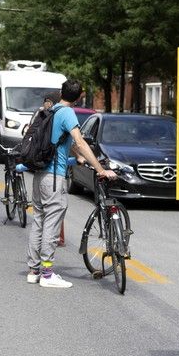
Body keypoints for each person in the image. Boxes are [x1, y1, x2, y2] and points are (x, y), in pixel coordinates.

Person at [27, 79, 117, 288]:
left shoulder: (51, 110)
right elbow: (79, 141)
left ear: (61, 92)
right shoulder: (67, 113)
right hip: (55, 178)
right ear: (80, 96)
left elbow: (62, 141)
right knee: (52, 224)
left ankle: (34, 270)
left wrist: (78, 157)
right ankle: (47, 274)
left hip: (40, 175)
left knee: (39, 221)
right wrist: (100, 168)